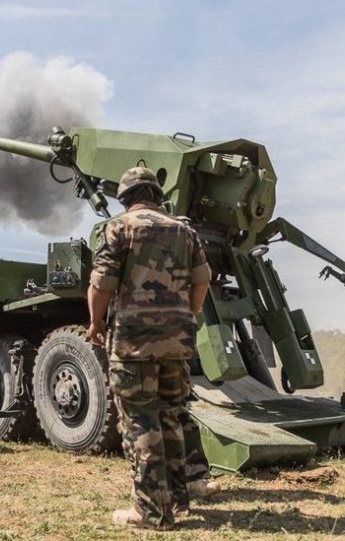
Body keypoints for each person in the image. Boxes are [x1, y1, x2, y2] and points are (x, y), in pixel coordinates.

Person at [87, 166, 213, 530]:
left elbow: (101, 284)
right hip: (177, 342)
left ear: (125, 197)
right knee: (170, 417)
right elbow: (202, 280)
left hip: (133, 343)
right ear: (156, 195)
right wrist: (185, 313)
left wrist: (96, 322)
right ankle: (175, 500)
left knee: (140, 421)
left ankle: (152, 512)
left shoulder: (119, 227)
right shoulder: (184, 230)